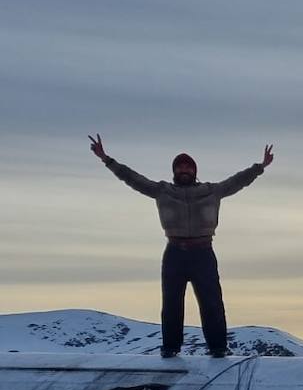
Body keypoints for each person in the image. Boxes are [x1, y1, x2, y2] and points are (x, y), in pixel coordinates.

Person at [89, 135, 273, 358]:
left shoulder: (212, 191)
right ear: (174, 171)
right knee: (172, 304)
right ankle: (170, 348)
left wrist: (260, 167)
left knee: (212, 302)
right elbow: (132, 178)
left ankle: (218, 348)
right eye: (180, 167)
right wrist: (107, 160)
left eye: (188, 166)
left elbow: (237, 181)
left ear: (195, 171)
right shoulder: (162, 191)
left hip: (203, 252)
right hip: (174, 252)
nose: (184, 169)